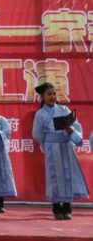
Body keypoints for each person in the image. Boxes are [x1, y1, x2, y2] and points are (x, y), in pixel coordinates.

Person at [32, 82, 89, 220]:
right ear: (42, 97)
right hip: (52, 148)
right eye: (49, 94)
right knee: (54, 177)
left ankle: (67, 207)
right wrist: (47, 144)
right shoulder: (40, 114)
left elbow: (76, 126)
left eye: (54, 93)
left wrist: (70, 130)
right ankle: (57, 208)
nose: (52, 96)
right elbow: (37, 133)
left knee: (68, 175)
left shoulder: (64, 109)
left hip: (66, 145)